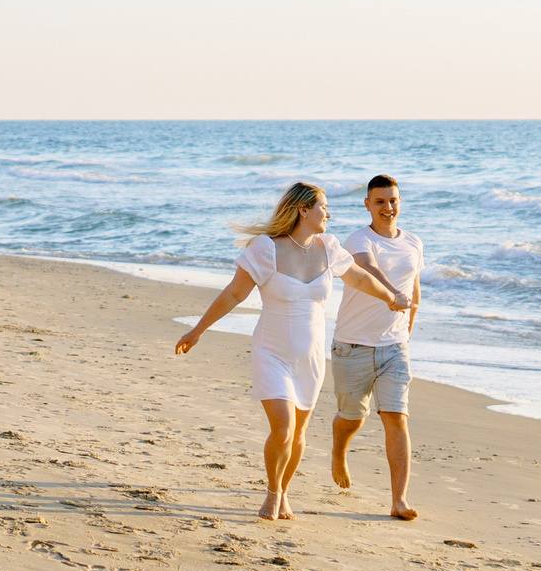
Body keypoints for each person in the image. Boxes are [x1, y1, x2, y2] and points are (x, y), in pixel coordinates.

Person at [174, 181, 412, 520]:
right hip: (272, 352)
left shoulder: (329, 247)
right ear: (303, 211)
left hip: (310, 357)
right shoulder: (266, 248)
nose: (329, 214)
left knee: (299, 433)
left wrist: (390, 297)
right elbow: (234, 293)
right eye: (323, 207)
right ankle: (272, 493)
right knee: (283, 428)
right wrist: (198, 330)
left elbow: (359, 279)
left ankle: (284, 491)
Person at [330, 174, 425, 519]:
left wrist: (407, 330)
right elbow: (366, 268)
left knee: (396, 418)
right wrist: (391, 295)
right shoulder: (359, 239)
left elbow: (415, 290)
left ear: (400, 202)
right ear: (368, 204)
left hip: (394, 347)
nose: (388, 208)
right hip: (352, 345)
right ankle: (339, 451)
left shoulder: (413, 242)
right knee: (351, 418)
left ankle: (399, 500)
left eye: (393, 201)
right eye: (380, 201)